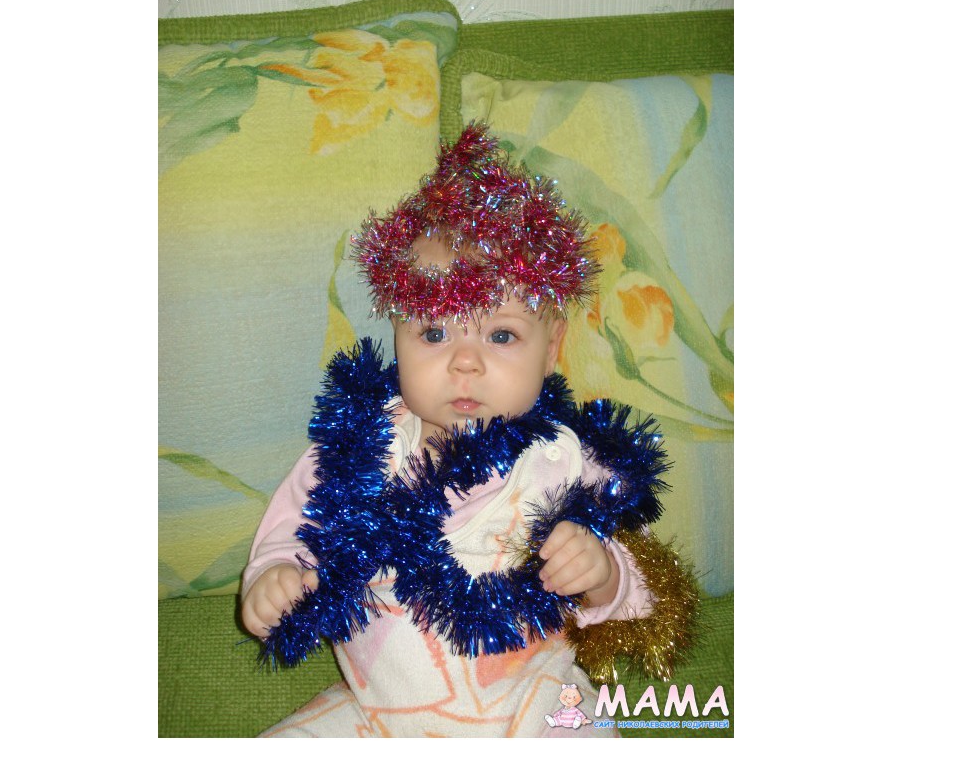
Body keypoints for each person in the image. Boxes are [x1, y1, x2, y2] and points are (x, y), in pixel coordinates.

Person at [240, 124, 698, 737]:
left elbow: (642, 596)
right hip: (380, 717)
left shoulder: (562, 459)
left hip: (536, 704)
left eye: (501, 335)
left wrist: (602, 572)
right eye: (434, 333)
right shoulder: (358, 449)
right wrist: (271, 579)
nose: (464, 362)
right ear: (397, 336)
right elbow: (293, 531)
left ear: (552, 348)